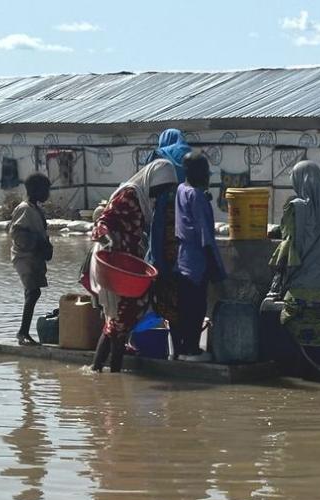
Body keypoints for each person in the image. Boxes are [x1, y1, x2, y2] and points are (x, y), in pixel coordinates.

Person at [90, 159, 178, 372]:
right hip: (115, 265)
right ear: (153, 181)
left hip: (131, 265)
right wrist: (106, 237)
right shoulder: (129, 195)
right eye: (161, 189)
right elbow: (105, 220)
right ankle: (113, 373)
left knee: (117, 322)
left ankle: (99, 371)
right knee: (121, 319)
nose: (160, 195)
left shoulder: (143, 198)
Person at [263, 161, 320, 382]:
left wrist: (278, 282)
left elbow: (289, 248)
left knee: (295, 329)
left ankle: (308, 378)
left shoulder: (296, 208)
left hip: (303, 285)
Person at [175, 152, 226, 361]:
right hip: (197, 261)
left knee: (185, 308)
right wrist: (216, 271)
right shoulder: (196, 196)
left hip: (182, 259)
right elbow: (205, 237)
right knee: (196, 308)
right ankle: (193, 351)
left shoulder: (181, 189)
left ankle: (182, 349)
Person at [146, 129, 191, 355]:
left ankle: (173, 348)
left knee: (164, 291)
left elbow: (147, 187)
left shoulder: (158, 157)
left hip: (164, 227)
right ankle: (185, 346)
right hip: (186, 231)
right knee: (185, 295)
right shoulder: (189, 155)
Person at [10, 173, 52, 345]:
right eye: (45, 189)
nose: (48, 193)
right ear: (34, 190)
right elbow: (18, 234)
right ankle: (22, 333)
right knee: (33, 292)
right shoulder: (24, 209)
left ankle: (24, 332)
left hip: (33, 257)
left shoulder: (35, 209)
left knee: (33, 292)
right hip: (24, 258)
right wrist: (38, 244)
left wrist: (47, 247)